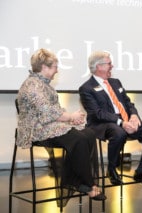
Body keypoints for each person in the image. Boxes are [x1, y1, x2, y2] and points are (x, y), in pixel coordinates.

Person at [16, 48, 106, 200]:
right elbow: (47, 112)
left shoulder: (43, 84)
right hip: (36, 129)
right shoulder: (33, 85)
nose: (57, 71)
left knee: (89, 133)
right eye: (55, 67)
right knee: (78, 138)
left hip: (48, 125)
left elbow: (54, 111)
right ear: (44, 67)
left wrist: (73, 119)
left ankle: (73, 181)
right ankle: (87, 184)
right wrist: (71, 116)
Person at [79, 51, 142, 187]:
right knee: (119, 132)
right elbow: (97, 113)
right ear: (99, 66)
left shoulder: (115, 82)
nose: (112, 66)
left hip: (125, 119)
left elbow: (128, 103)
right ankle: (111, 169)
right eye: (109, 63)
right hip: (103, 123)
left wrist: (134, 115)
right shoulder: (86, 88)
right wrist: (121, 122)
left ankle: (140, 171)